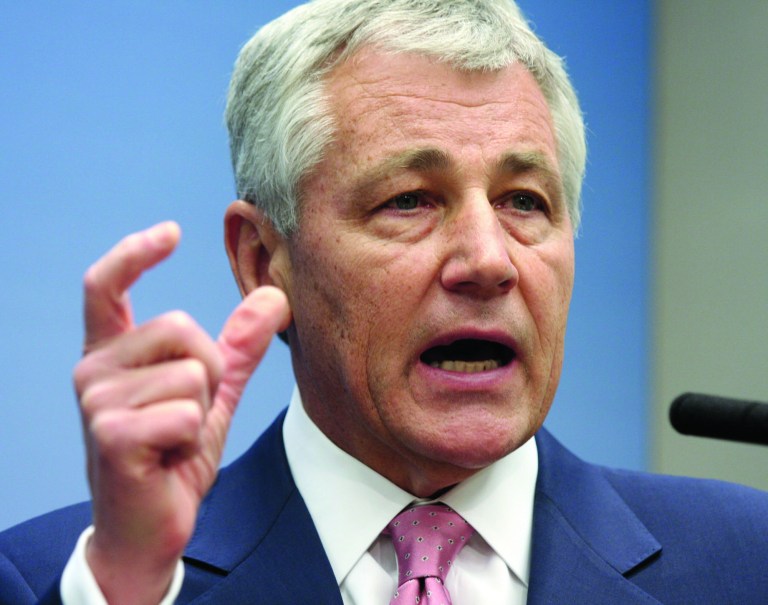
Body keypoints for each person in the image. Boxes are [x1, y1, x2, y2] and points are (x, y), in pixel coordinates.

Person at [1, 0, 767, 603]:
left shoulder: (745, 561)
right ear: (264, 260)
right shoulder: (67, 581)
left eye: (524, 201)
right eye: (409, 200)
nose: (488, 260)